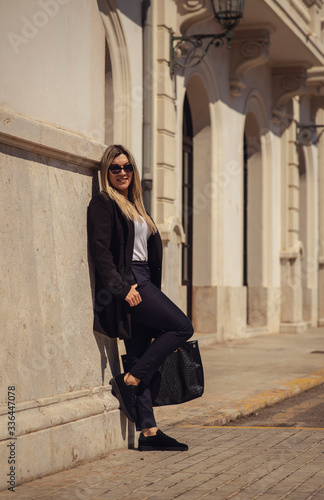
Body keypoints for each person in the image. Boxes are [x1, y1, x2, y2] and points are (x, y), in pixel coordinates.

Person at [87, 144, 194, 451]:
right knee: (182, 327)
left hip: (144, 279)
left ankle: (148, 433)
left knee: (138, 350)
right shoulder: (104, 202)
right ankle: (130, 379)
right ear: (106, 172)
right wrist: (121, 288)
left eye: (127, 167)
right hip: (131, 282)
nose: (122, 172)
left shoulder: (134, 204)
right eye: (115, 168)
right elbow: (101, 252)